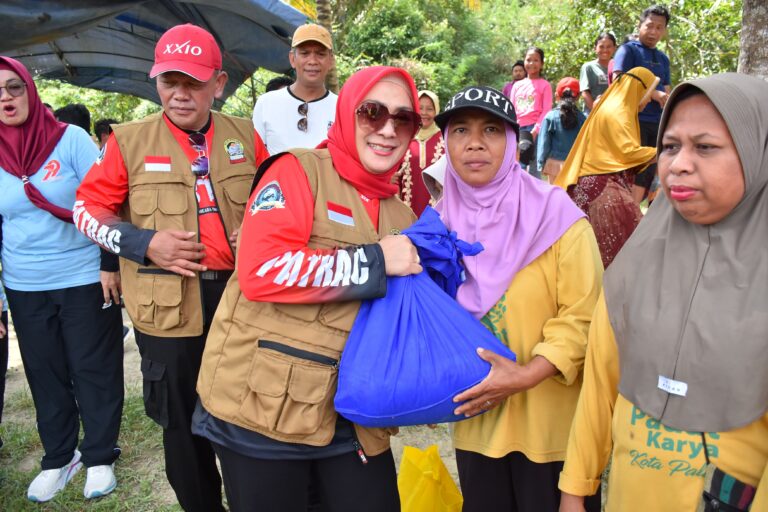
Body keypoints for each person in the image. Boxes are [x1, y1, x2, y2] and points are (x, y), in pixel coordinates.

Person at [193, 66, 422, 512]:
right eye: (372, 113)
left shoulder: (402, 216)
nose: (388, 129)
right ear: (345, 112)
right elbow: (261, 270)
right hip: (261, 414)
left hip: (351, 417)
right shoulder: (298, 172)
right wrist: (375, 260)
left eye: (404, 119)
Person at [73, 24, 269, 512]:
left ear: (218, 83)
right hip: (168, 309)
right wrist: (143, 243)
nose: (180, 94)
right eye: (169, 82)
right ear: (155, 80)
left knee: (247, 414)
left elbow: (276, 199)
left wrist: (263, 229)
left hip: (238, 300)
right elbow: (87, 211)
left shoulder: (246, 135)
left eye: (194, 83)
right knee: (182, 425)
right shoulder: (128, 141)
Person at [559, 73, 768, 512]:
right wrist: (575, 492)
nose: (679, 164)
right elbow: (600, 387)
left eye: (705, 147)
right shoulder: (639, 262)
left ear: (757, 152)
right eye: (670, 146)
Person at [430, 86, 603, 512]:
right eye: (460, 130)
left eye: (491, 129)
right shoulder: (436, 226)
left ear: (511, 142)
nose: (474, 142)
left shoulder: (557, 216)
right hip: (477, 425)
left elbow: (584, 316)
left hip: (551, 433)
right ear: (445, 143)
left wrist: (525, 375)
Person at [0, 56, 124, 502]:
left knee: (93, 366)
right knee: (44, 370)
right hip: (23, 281)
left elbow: (105, 199)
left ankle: (98, 455)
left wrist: (110, 262)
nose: (6, 98)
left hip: (82, 274)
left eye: (14, 87)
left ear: (29, 91)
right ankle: (59, 457)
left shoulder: (69, 139)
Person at [554, 68, 657, 268]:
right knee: (624, 257)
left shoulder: (611, 107)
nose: (649, 100)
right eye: (649, 93)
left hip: (587, 187)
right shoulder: (619, 112)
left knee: (588, 259)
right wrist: (665, 150)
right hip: (604, 191)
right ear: (639, 89)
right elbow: (627, 152)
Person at [613, 4, 671, 204]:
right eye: (650, 25)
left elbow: (667, 88)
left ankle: (635, 211)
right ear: (640, 25)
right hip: (632, 120)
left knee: (649, 168)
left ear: (664, 30)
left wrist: (667, 101)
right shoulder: (628, 50)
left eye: (659, 27)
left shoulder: (663, 58)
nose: (653, 31)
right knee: (630, 167)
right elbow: (618, 80)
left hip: (656, 121)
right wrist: (652, 93)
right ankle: (625, 210)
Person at [252, 24, 337, 155]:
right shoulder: (266, 103)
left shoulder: (341, 107)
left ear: (330, 60)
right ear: (292, 59)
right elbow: (255, 156)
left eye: (320, 54)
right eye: (305, 53)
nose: (312, 61)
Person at [395, 90, 444, 216]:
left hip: (438, 213)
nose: (424, 113)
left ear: (436, 111)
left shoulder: (445, 139)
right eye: (420, 108)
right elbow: (393, 173)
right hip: (404, 211)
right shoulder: (403, 137)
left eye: (429, 109)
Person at [509, 47, 553, 179]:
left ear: (542, 64)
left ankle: (535, 197)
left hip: (536, 129)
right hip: (518, 128)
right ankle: (516, 194)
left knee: (534, 166)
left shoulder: (545, 85)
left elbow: (546, 110)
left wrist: (536, 130)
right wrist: (513, 126)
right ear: (524, 62)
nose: (532, 63)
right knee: (517, 165)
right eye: (528, 60)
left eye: (536, 60)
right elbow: (512, 108)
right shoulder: (517, 86)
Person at [537, 77, 586, 184]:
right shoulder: (583, 119)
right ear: (578, 96)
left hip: (554, 166)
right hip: (576, 166)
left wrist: (541, 163)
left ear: (557, 96)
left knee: (555, 198)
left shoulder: (550, 117)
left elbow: (544, 144)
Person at [579, 32, 617, 114]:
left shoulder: (618, 67)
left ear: (614, 48)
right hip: (592, 115)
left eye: (609, 46)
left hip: (613, 114)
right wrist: (596, 110)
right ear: (595, 48)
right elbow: (585, 92)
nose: (605, 50)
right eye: (601, 47)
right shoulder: (588, 67)